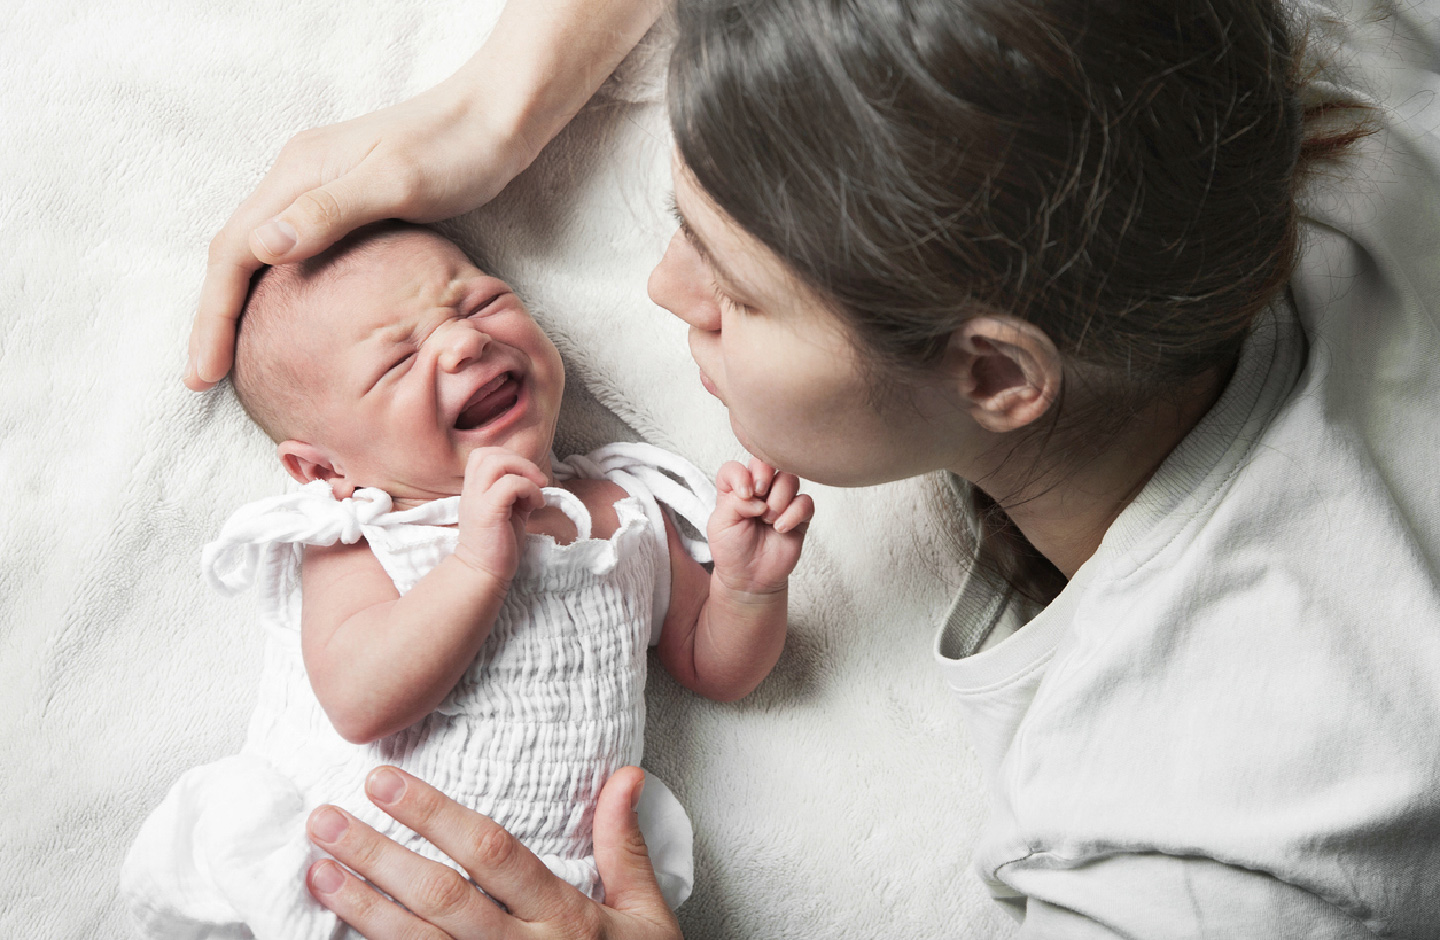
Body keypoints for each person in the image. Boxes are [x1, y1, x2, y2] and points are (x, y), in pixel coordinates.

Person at [182, 0, 1440, 937]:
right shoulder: (1298, 72)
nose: (662, 291)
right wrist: (488, 111)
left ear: (996, 376)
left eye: (729, 286)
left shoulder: (1212, 833)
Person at [133, 222, 813, 939]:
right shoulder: (365, 532)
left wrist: (747, 587)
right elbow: (358, 701)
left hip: (557, 895)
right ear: (326, 470)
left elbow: (713, 667)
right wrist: (477, 565)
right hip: (355, 875)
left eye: (479, 303)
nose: (463, 343)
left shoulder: (619, 511)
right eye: (398, 361)